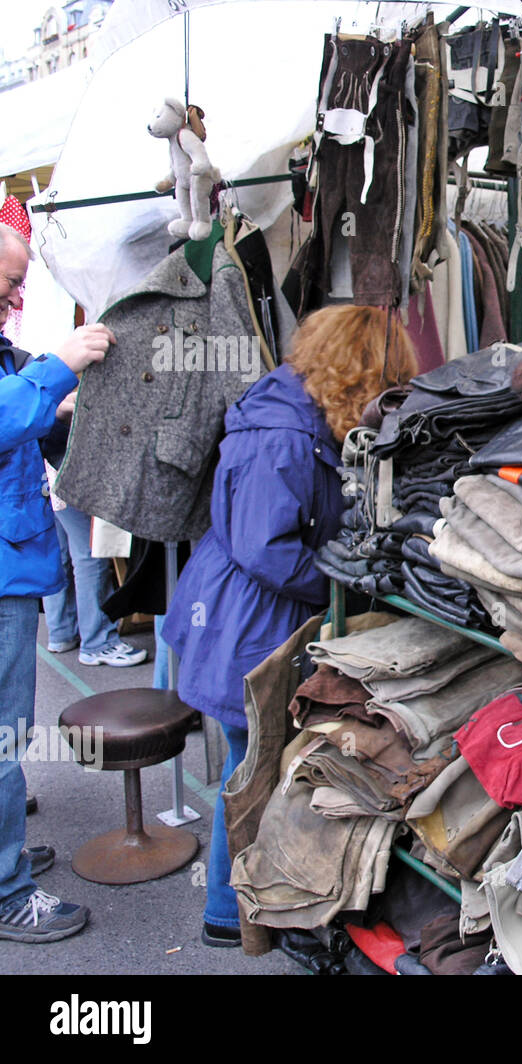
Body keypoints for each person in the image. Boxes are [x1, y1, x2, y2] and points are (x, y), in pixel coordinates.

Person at [161, 304, 416, 946]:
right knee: (251, 771)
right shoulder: (282, 434)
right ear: (361, 377)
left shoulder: (296, 415)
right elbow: (263, 545)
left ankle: (245, 904)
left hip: (242, 615)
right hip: (243, 623)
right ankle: (226, 914)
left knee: (256, 764)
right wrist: (341, 582)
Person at [0, 222, 114, 943]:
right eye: (8, 284)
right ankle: (8, 891)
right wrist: (56, 369)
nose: (14, 298)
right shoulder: (32, 368)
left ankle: (4, 854)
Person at [40, 416, 149, 667]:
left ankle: (61, 632)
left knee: (62, 552)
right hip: (70, 467)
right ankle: (98, 642)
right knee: (90, 554)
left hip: (48, 467)